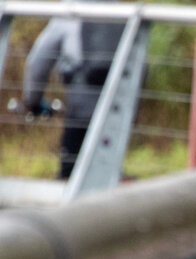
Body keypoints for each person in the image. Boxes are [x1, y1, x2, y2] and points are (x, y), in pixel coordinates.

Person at [22, 0, 123, 179]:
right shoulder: (119, 9)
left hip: (81, 102)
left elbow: (38, 63)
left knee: (70, 171)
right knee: (107, 169)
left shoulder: (68, 13)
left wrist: (33, 100)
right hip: (120, 102)